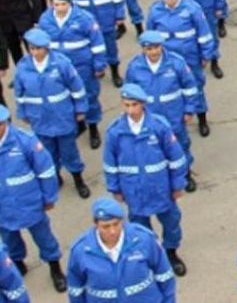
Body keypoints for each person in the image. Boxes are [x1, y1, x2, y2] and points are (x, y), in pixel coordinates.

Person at [103, 82, 188, 276]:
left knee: (171, 222)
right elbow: (110, 164)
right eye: (126, 105)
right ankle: (151, 256)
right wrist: (114, 188)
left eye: (134, 104)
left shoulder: (159, 127)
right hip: (134, 190)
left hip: (161, 188)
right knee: (140, 229)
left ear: (143, 104)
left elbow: (175, 158)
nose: (131, 109)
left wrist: (177, 184)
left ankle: (171, 253)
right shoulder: (115, 132)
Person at [14, 28, 91, 199]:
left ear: (46, 48)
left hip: (62, 115)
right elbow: (19, 93)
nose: (34, 52)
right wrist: (23, 112)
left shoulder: (61, 63)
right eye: (31, 48)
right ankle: (56, 176)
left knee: (69, 151)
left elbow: (76, 87)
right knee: (47, 152)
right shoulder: (23, 66)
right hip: (39, 118)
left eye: (38, 48)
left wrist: (80, 109)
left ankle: (78, 179)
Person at [0, 103, 66, 293]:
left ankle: (55, 269)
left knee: (44, 238)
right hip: (3, 207)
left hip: (29, 202)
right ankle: (18, 264)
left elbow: (45, 171)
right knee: (9, 240)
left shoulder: (25, 141)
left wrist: (49, 197)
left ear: (5, 123)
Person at [125, 30, 200, 193]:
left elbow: (189, 87)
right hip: (148, 117)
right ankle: (163, 178)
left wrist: (189, 110)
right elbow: (129, 93)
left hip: (173, 114)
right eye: (148, 48)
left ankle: (185, 175)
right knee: (153, 148)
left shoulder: (176, 63)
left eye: (156, 47)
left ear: (161, 46)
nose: (153, 52)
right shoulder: (135, 67)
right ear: (143, 49)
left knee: (180, 146)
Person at [67, 197, 177, 301]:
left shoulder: (144, 240)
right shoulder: (81, 251)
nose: (112, 231)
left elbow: (164, 275)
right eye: (106, 226)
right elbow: (75, 289)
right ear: (96, 224)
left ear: (123, 221)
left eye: (116, 224)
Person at [38, 0, 107, 149]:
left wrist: (99, 65)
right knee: (67, 98)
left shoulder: (84, 18)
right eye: (56, 4)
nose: (60, 8)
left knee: (88, 96)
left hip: (82, 66)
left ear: (70, 4)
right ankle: (78, 123)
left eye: (63, 4)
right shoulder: (45, 20)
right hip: (58, 69)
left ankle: (93, 128)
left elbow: (97, 43)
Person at [147, 0, 217, 137]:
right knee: (169, 88)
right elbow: (150, 36)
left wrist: (206, 54)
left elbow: (204, 33)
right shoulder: (155, 11)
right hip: (165, 58)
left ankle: (202, 119)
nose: (170, 1)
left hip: (189, 57)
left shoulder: (192, 9)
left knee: (195, 88)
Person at [65, 0, 126, 89]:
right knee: (90, 46)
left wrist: (119, 15)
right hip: (84, 19)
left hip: (105, 16)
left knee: (110, 45)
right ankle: (98, 68)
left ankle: (115, 72)